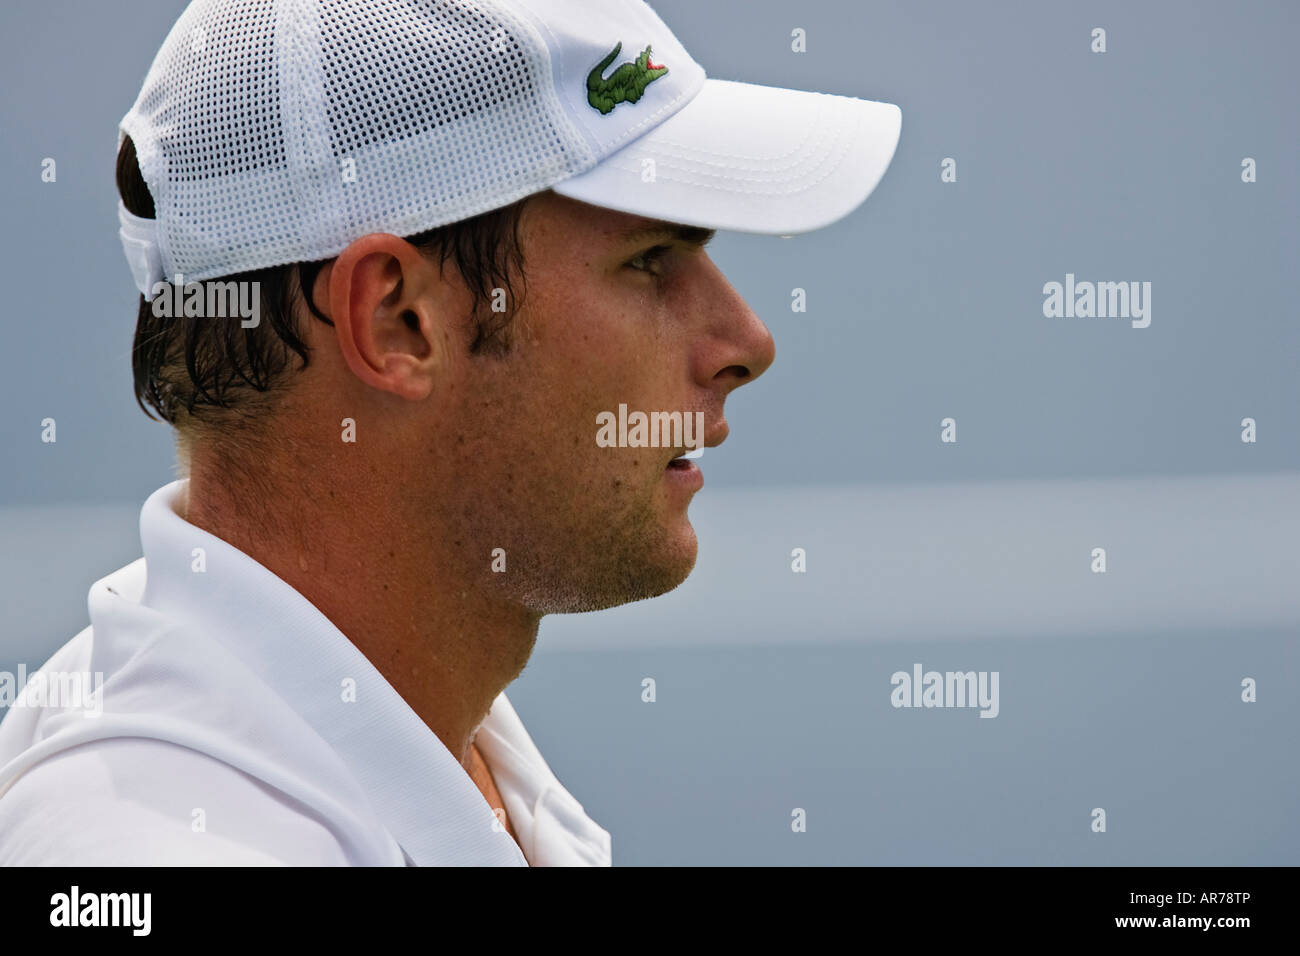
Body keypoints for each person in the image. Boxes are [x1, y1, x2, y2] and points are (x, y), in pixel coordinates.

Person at [0, 0, 900, 865]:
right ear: (395, 321)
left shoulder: (423, 749)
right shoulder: (162, 845)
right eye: (651, 259)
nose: (747, 342)